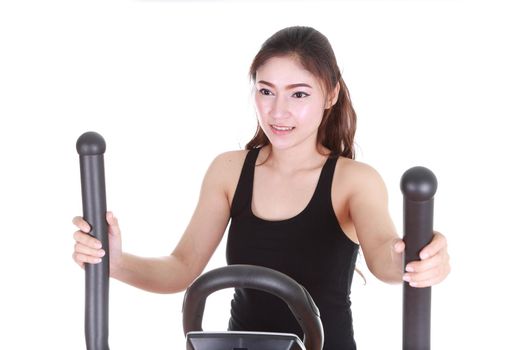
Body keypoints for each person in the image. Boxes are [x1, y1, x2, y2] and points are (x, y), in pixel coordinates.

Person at [72, 26, 450, 349]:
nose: (277, 111)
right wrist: (116, 264)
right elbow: (181, 267)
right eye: (266, 91)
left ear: (330, 95)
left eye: (298, 94)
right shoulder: (229, 170)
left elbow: (385, 259)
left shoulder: (354, 180)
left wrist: (417, 256)